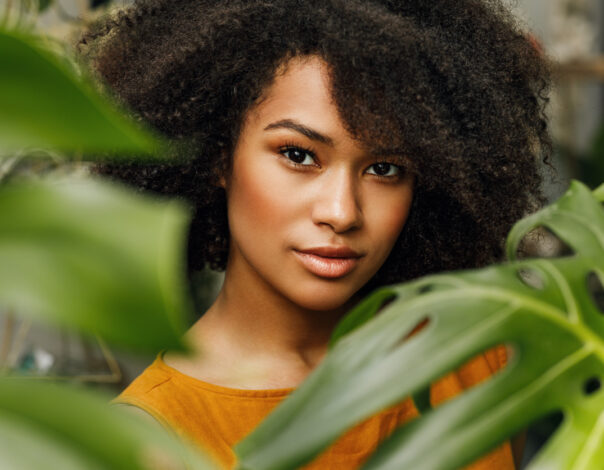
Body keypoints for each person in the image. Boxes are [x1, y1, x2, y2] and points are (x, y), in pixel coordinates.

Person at [77, 0, 550, 468]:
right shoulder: (155, 444)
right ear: (218, 156)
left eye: (384, 168)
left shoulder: (480, 359)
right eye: (299, 155)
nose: (342, 212)